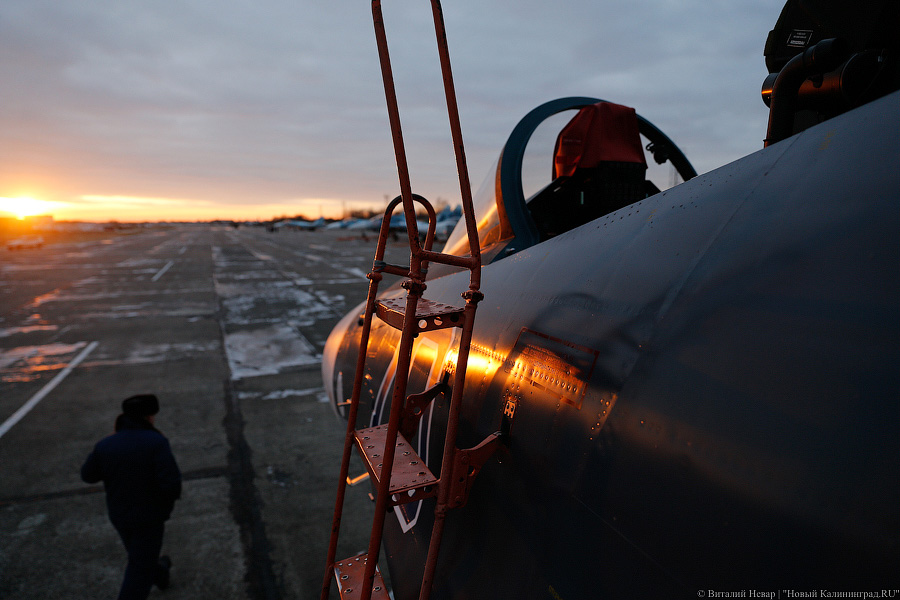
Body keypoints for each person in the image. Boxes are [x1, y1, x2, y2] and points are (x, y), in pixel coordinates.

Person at [81, 394, 182, 599]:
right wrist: (164, 508)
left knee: (140, 557)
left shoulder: (106, 444)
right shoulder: (156, 442)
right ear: (149, 417)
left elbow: (88, 475)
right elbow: (171, 484)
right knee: (139, 569)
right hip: (149, 517)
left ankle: (160, 574)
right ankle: (156, 574)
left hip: (119, 515)